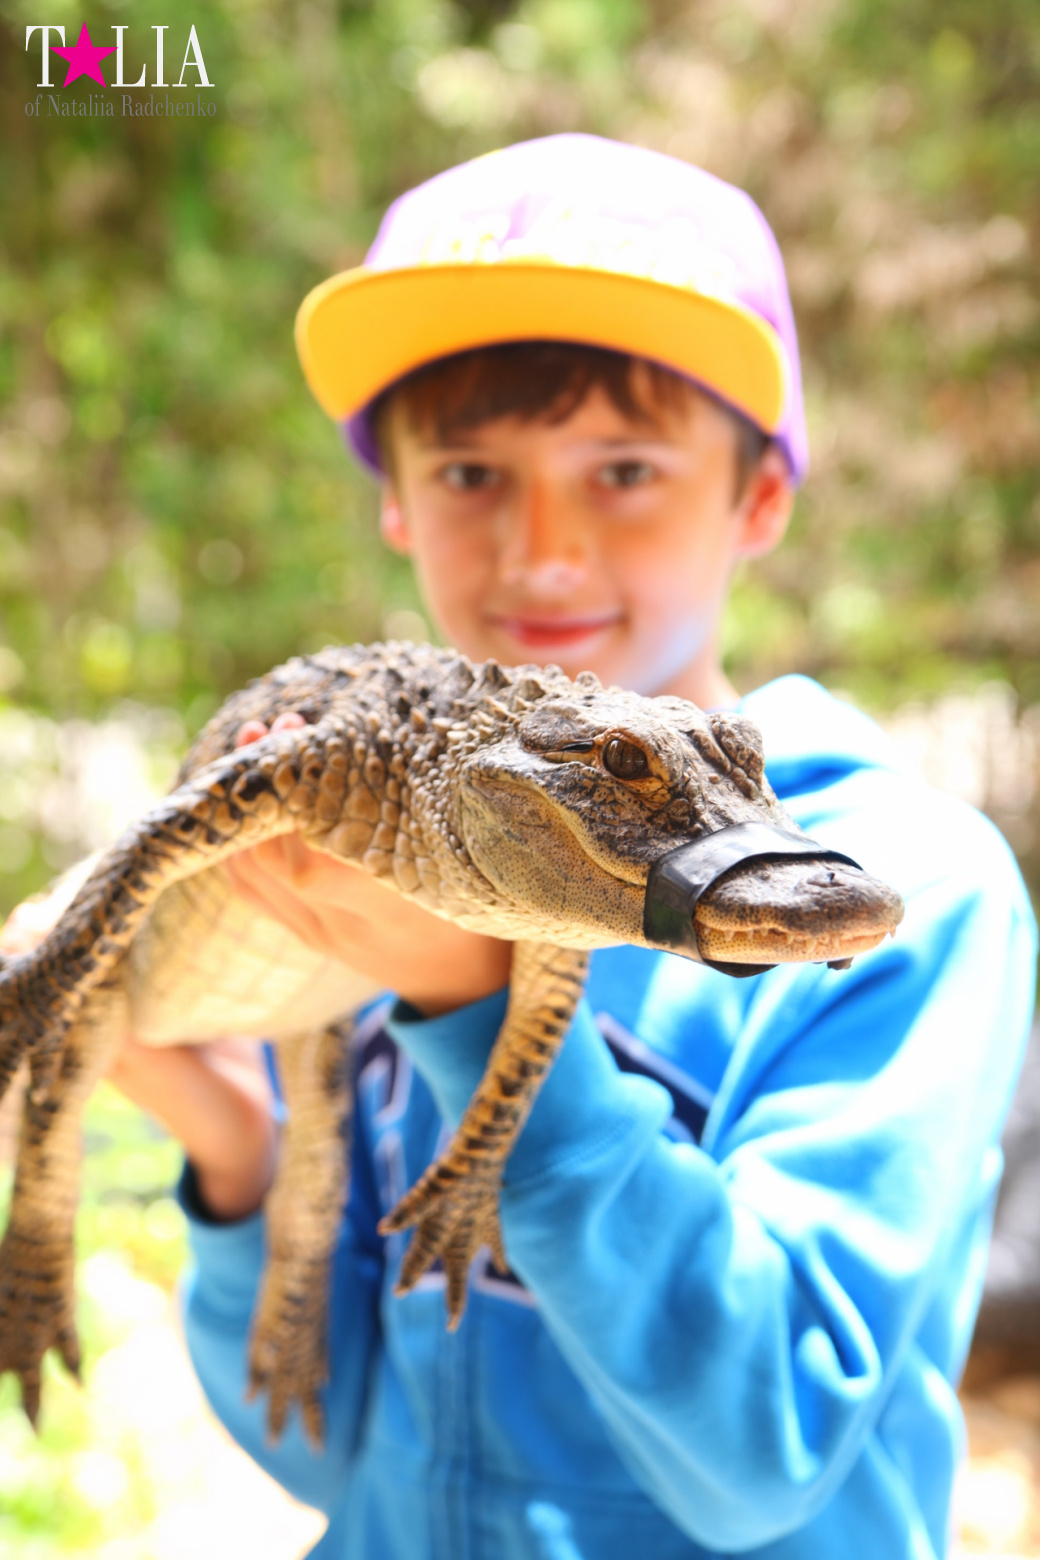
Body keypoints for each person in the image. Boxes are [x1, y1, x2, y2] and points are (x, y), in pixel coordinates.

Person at [6, 134, 1037, 1558]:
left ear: (762, 498)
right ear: (396, 504)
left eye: (622, 468)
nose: (541, 550)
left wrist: (469, 995)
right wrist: (236, 1142)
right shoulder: (372, 837)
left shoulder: (923, 891)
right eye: (473, 473)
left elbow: (769, 1453)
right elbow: (328, 1453)